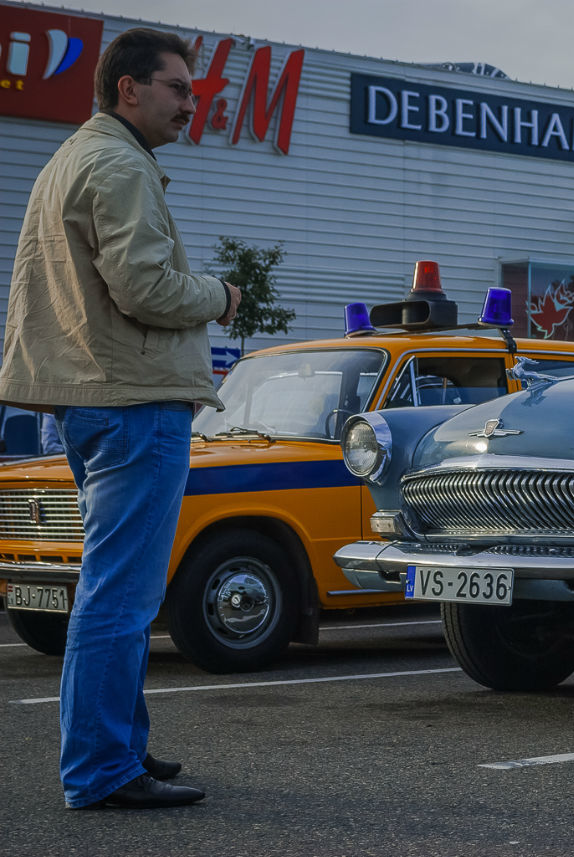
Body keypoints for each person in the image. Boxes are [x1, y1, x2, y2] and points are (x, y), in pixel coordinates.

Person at [0, 28, 242, 810]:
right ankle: (103, 768)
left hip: (90, 399)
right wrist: (222, 295)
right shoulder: (117, 164)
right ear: (128, 88)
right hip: (132, 402)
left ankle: (118, 747)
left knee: (117, 590)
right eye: (177, 87)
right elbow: (148, 289)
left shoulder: (73, 158)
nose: (190, 102)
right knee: (122, 595)